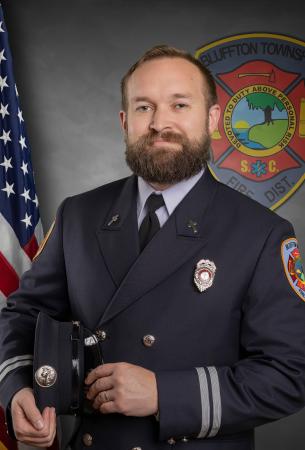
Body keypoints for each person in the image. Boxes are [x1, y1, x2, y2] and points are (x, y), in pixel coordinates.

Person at [1, 45, 305, 450]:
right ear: (125, 121)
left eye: (179, 104)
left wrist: (165, 394)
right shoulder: (80, 214)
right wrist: (19, 389)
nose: (160, 123)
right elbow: (24, 315)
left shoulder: (262, 233)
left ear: (212, 118)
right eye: (144, 108)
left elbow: (291, 373)